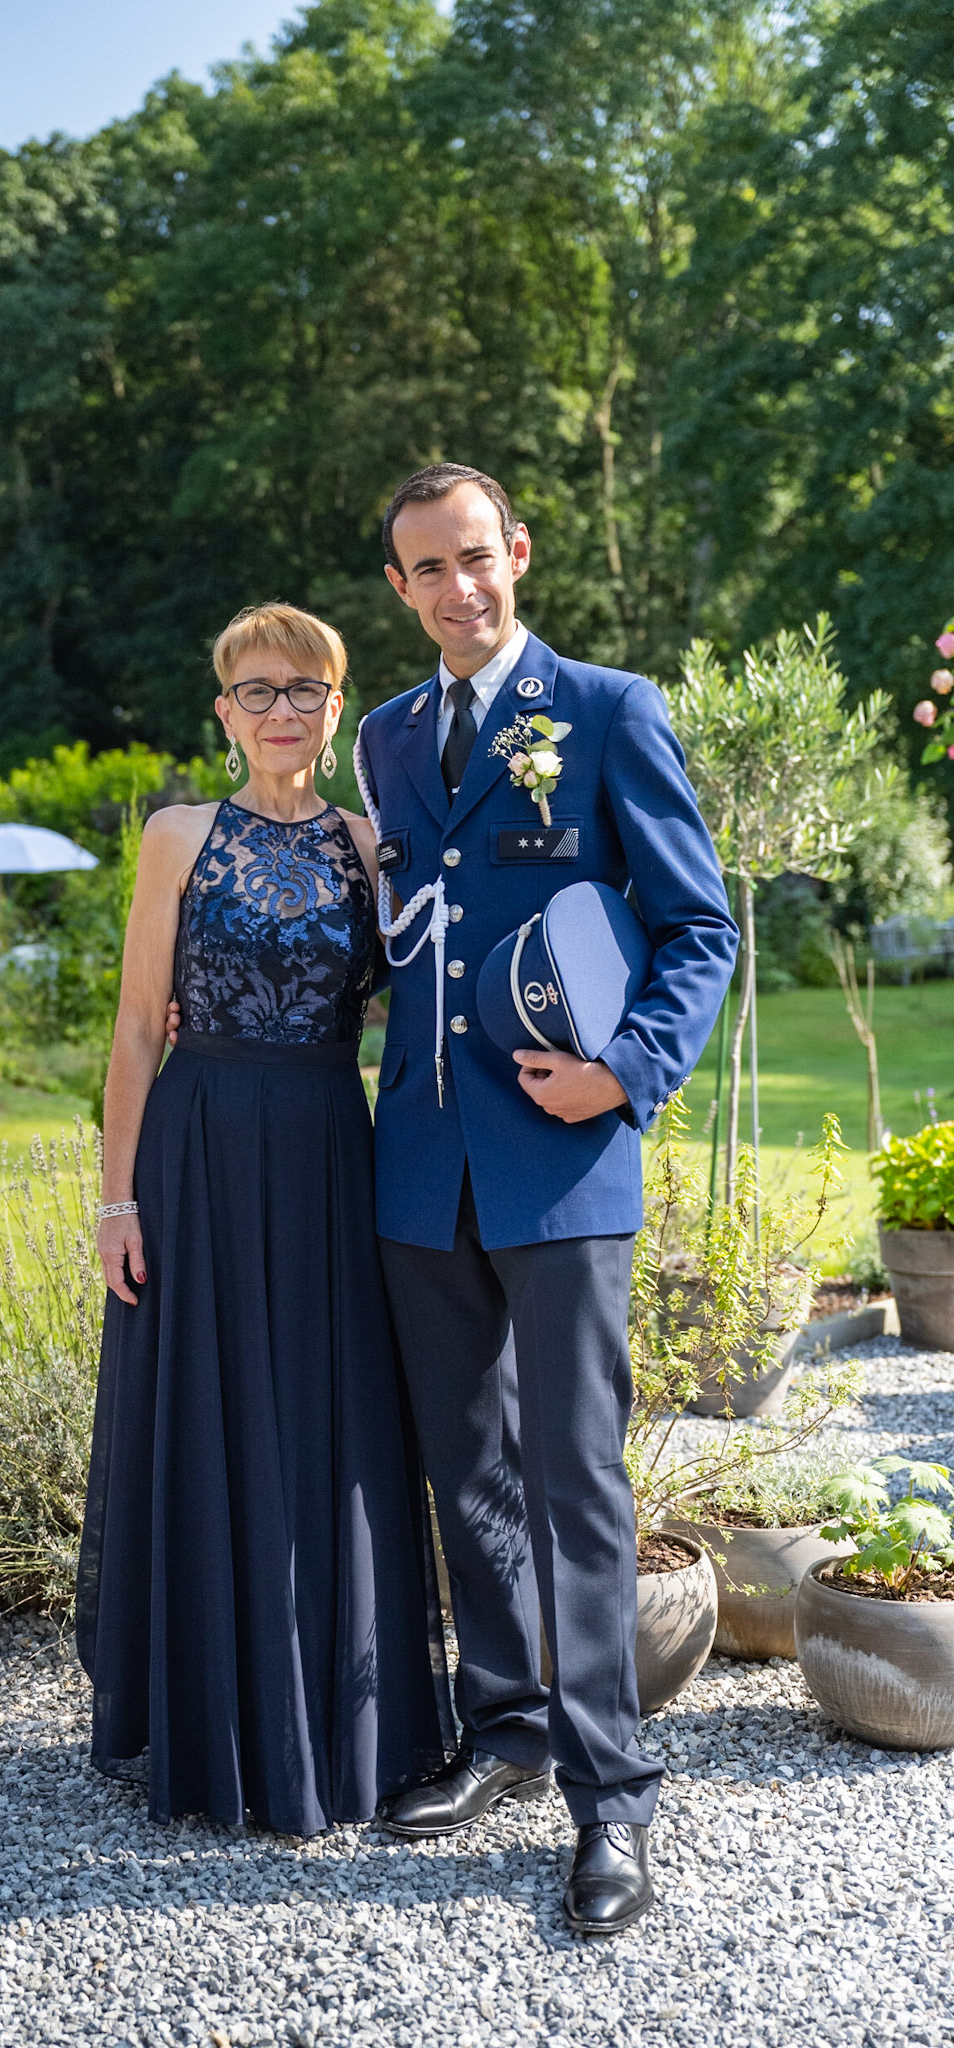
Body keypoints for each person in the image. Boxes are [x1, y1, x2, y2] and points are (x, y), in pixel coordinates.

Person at [355, 464, 737, 1934]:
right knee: (468, 1463)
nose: (458, 588)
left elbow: (696, 925)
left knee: (576, 1475)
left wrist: (625, 1072)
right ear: (401, 589)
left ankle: (613, 1797)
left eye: (476, 557)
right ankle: (508, 1726)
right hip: (420, 1158)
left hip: (564, 1161)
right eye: (427, 569)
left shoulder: (608, 711)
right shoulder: (387, 737)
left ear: (515, 552)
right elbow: (398, 929)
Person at [76, 601, 451, 1836]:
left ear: (338, 710)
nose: (281, 709)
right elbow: (140, 1027)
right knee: (212, 1405)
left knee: (330, 1415)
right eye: (258, 690)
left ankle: (338, 1717)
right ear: (224, 711)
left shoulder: (373, 842)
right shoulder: (177, 835)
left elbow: (431, 997)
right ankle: (214, 1722)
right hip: (199, 1150)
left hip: (333, 1151)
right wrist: (118, 1197)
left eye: (305, 690)